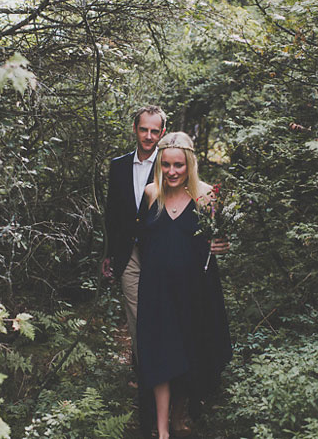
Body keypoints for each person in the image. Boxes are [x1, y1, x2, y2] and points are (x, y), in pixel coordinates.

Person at [137, 132, 232, 439]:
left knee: (189, 351)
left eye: (178, 165)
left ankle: (181, 412)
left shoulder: (205, 196)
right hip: (158, 290)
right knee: (160, 353)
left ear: (189, 164)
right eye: (166, 165)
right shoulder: (152, 193)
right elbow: (143, 240)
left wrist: (221, 244)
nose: (172, 171)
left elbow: (218, 237)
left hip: (194, 290)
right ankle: (162, 430)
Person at [102, 105, 168, 363]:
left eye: (154, 131)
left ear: (162, 133)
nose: (149, 136)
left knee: (160, 311)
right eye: (144, 130)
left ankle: (167, 372)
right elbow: (112, 213)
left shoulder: (169, 165)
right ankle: (145, 374)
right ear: (135, 129)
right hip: (127, 253)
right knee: (137, 314)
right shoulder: (118, 166)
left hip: (161, 252)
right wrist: (108, 254)